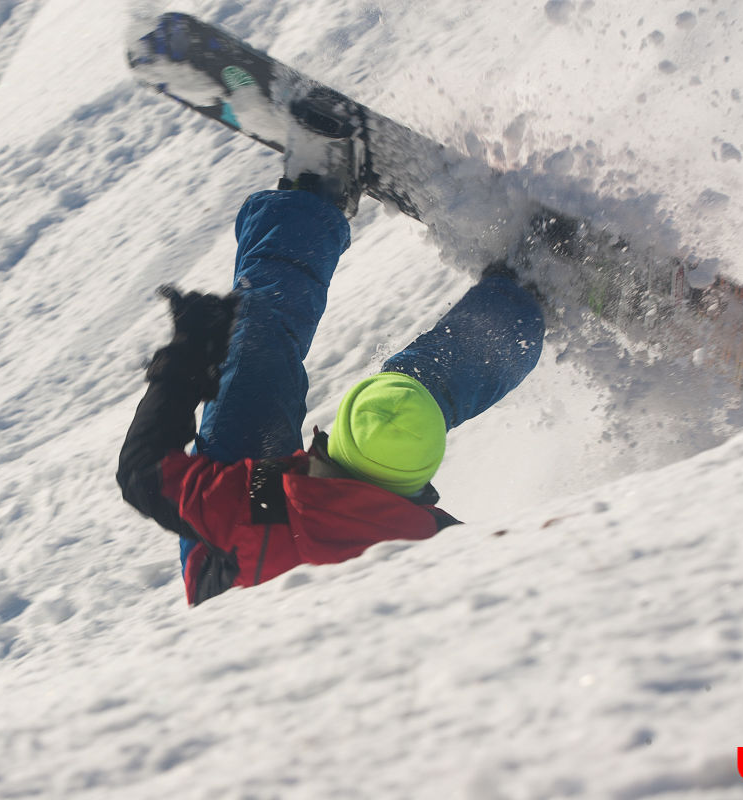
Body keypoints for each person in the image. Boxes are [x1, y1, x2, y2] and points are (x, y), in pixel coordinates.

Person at [117, 103, 545, 606]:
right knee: (402, 393)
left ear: (333, 442)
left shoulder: (255, 503)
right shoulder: (441, 545)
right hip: (271, 522)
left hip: (249, 538)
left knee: (256, 351)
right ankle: (527, 292)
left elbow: (143, 471)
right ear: (419, 486)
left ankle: (316, 188)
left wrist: (186, 363)